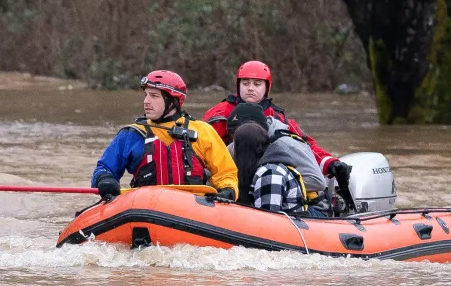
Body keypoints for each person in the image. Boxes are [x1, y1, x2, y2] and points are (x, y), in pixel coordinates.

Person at [202, 60, 349, 206]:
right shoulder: (219, 114)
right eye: (245, 83)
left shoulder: (278, 118)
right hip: (229, 177)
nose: (250, 88)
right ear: (238, 85)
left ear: (267, 88)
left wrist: (330, 163)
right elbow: (204, 147)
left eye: (257, 84)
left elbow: (306, 147)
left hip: (270, 177)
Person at [90, 70, 237, 200]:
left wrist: (227, 190)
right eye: (146, 95)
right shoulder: (131, 135)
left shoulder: (203, 132)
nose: (146, 101)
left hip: (193, 210)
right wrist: (105, 179)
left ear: (172, 101)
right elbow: (104, 168)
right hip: (145, 208)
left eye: (154, 96)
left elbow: (226, 173)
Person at [227, 103, 336, 214]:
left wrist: (282, 184)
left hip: (313, 209)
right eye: (232, 134)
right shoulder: (239, 144)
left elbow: (318, 182)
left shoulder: (286, 145)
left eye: (236, 133)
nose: (234, 141)